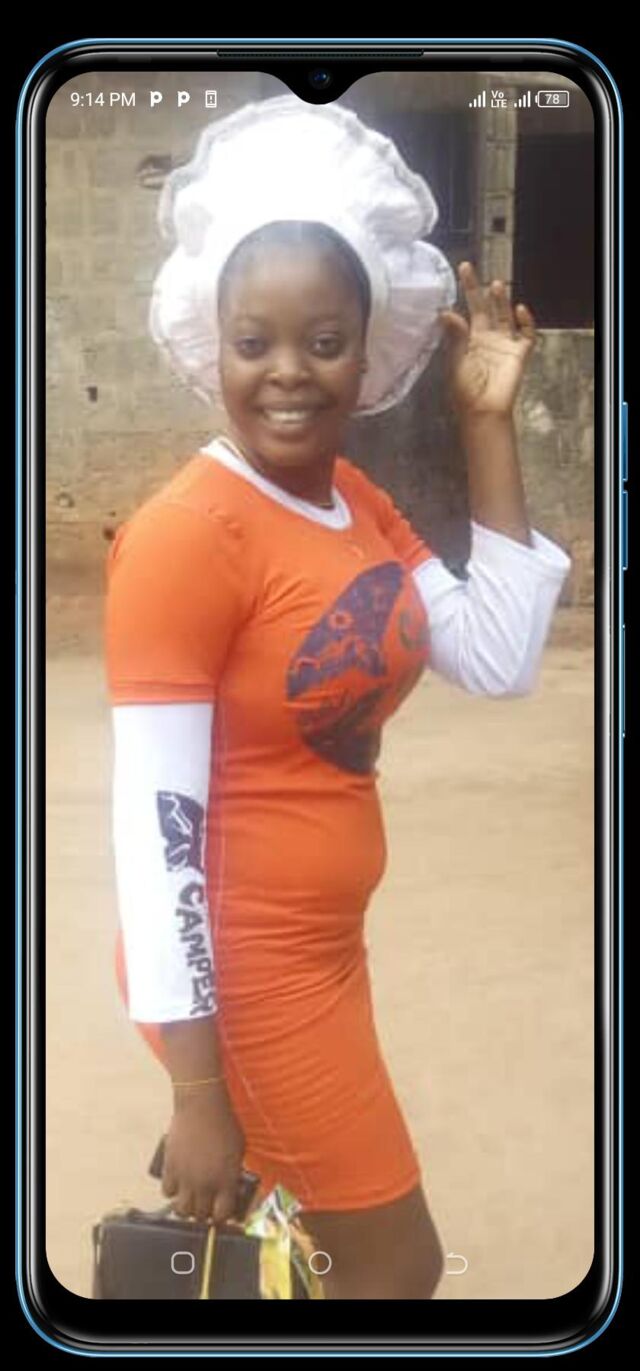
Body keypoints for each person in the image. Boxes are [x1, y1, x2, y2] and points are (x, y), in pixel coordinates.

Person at [104, 96, 571, 1300]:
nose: (286, 373)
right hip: (244, 971)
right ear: (211, 343)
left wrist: (484, 427)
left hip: (324, 953)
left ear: (368, 354)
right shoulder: (186, 536)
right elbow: (154, 839)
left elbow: (497, 655)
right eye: (253, 340)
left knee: (310, 1250)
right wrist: (199, 1092)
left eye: (323, 340)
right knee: (395, 1268)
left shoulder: (349, 499)